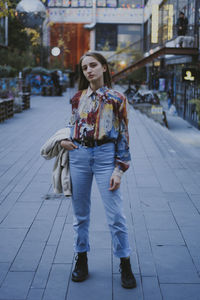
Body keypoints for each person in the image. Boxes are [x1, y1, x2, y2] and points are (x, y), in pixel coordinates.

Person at [60, 52, 136, 289]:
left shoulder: (117, 98)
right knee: (80, 215)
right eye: (85, 68)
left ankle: (124, 262)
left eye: (93, 65)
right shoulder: (77, 97)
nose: (89, 70)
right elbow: (72, 124)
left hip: (105, 158)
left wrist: (119, 169)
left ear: (104, 67)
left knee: (116, 216)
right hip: (79, 156)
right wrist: (64, 140)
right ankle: (81, 258)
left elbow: (123, 135)